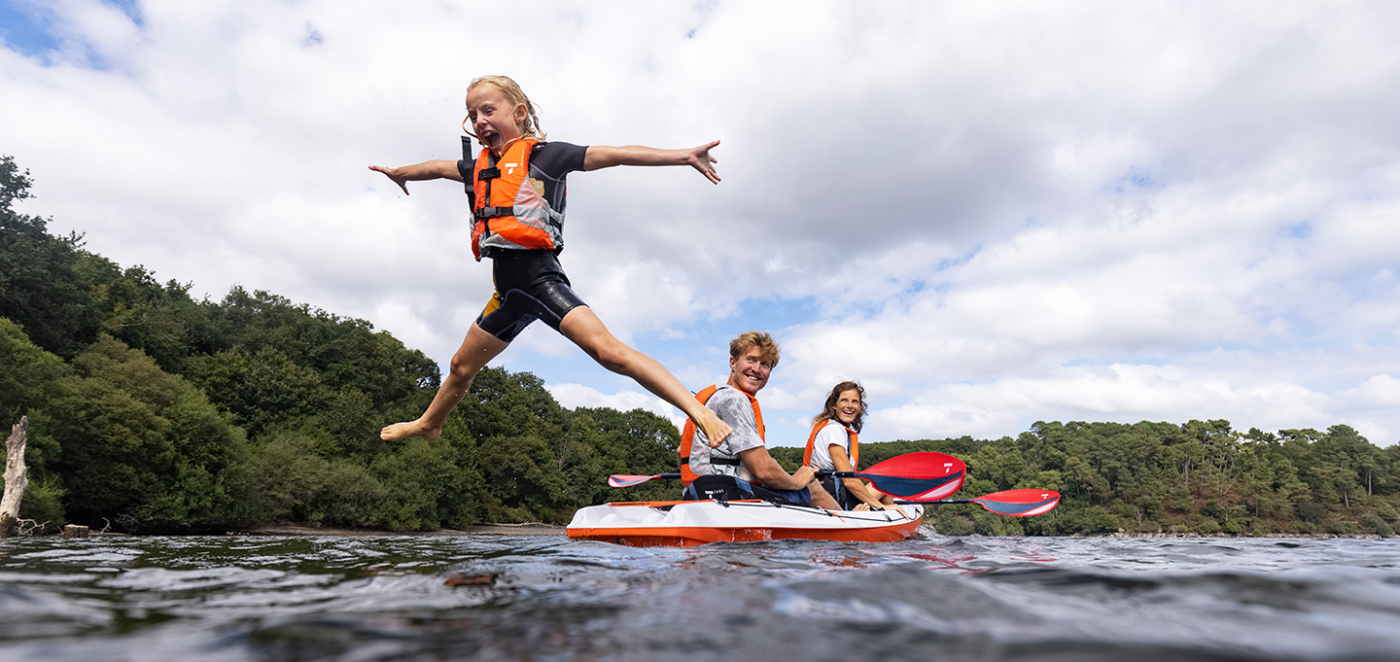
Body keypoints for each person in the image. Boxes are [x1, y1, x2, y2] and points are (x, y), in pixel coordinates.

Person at [370, 75, 732, 447]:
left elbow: (618, 154)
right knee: (461, 367)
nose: (479, 120)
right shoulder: (480, 167)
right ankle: (429, 423)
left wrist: (683, 156)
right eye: (472, 114)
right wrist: (401, 173)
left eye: (488, 110)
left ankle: (699, 410)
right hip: (506, 296)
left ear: (520, 112)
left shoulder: (549, 157)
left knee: (609, 353)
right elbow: (435, 168)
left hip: (541, 282)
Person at [682, 331, 840, 510]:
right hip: (722, 496)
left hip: (697, 490)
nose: (757, 369)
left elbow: (682, 451)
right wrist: (796, 481)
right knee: (812, 487)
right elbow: (764, 471)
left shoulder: (711, 395)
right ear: (733, 362)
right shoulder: (734, 399)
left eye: (765, 364)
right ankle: (851, 526)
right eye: (751, 359)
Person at [804, 381, 908, 516]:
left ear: (859, 407)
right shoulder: (834, 430)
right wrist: (881, 507)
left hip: (834, 494)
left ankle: (888, 519)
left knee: (884, 484)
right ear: (834, 405)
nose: (849, 406)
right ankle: (888, 518)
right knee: (886, 484)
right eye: (844, 400)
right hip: (832, 500)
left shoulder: (833, 427)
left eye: (854, 402)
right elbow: (848, 481)